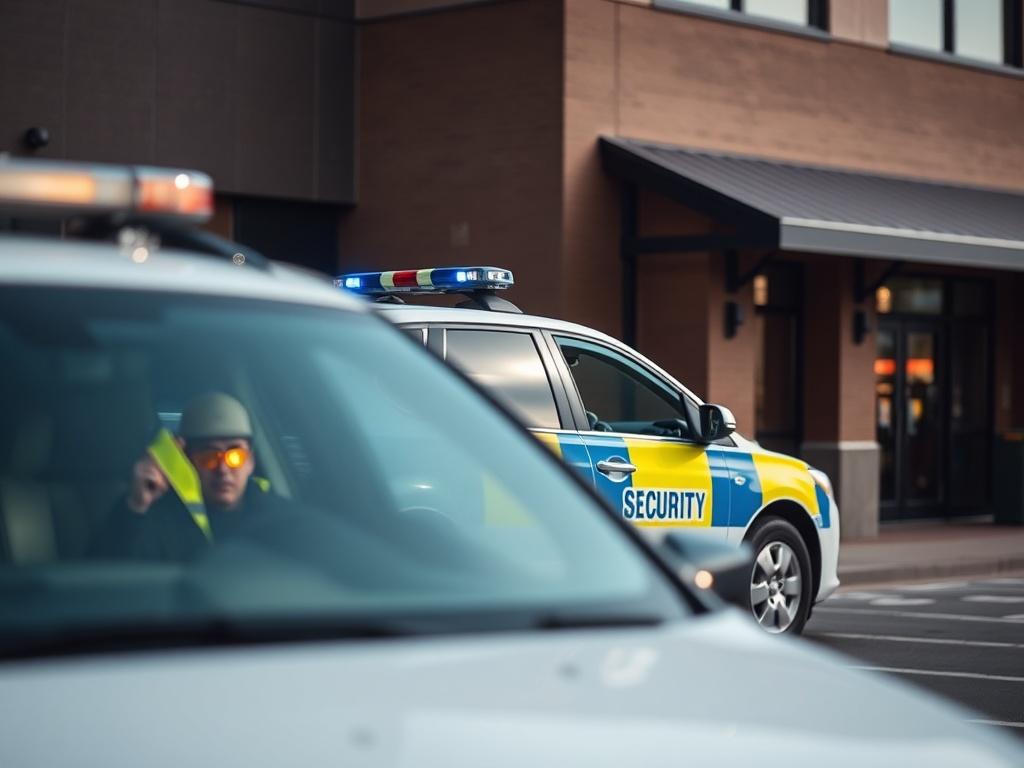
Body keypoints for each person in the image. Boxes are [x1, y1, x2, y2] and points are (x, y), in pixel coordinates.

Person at [94, 392, 279, 561]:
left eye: (235, 456)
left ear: (250, 462)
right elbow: (107, 577)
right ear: (188, 460)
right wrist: (135, 507)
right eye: (208, 456)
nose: (223, 469)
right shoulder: (157, 521)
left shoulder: (278, 520)